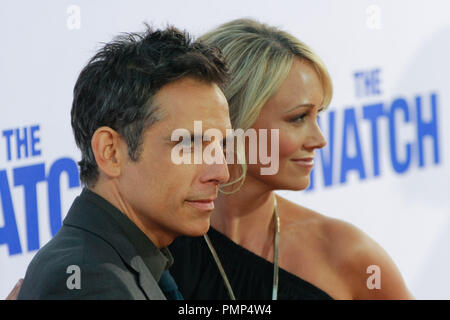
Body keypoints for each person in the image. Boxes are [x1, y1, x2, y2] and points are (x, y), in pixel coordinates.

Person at [169, 19, 414, 300]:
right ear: (231, 118)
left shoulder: (348, 255)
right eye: (298, 118)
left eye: (317, 116)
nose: (319, 140)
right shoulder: (153, 239)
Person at [17, 26, 231, 299]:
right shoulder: (91, 282)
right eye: (190, 145)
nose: (221, 172)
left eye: (221, 146)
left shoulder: (123, 259)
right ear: (110, 152)